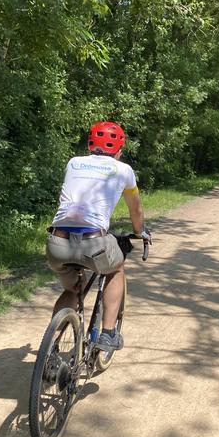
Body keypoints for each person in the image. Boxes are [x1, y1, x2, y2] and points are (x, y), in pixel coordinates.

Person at [46, 121, 149, 352]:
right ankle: (108, 333)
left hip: (56, 242)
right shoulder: (124, 170)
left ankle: (51, 351)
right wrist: (140, 231)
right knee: (116, 267)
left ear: (90, 145)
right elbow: (136, 210)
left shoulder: (73, 163)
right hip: (94, 242)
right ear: (119, 151)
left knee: (74, 289)